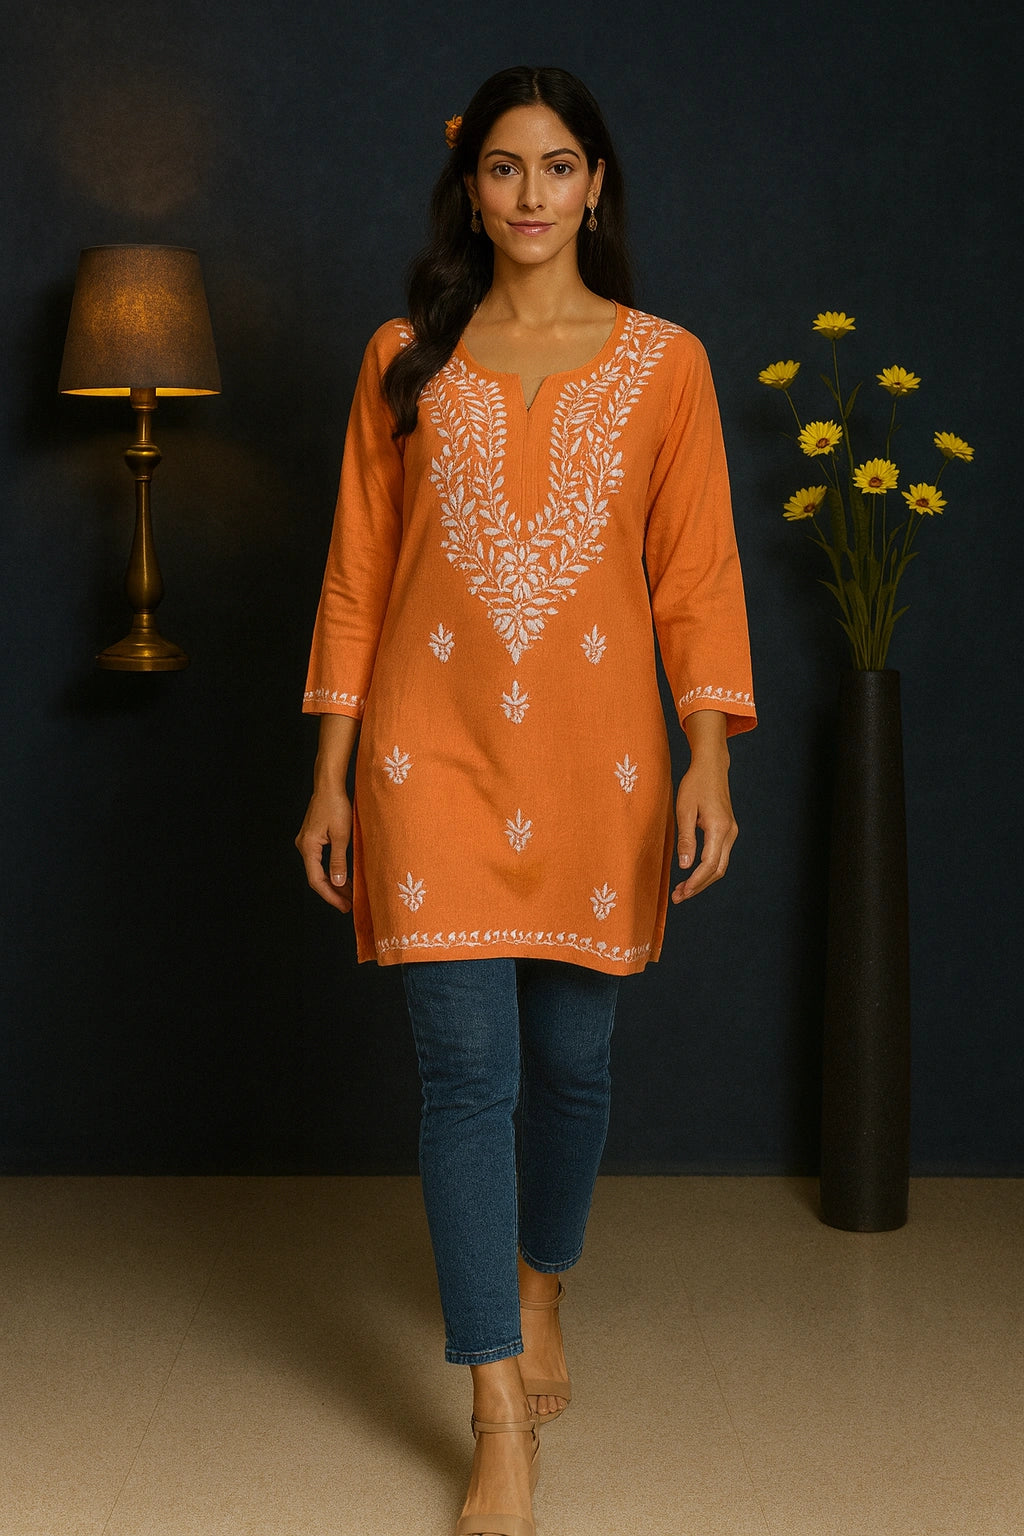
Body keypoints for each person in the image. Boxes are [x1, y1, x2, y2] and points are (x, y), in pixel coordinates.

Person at [296, 64, 756, 1536]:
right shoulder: (404, 360)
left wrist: (709, 758)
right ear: (470, 188)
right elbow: (358, 577)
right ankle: (494, 1409)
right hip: (425, 757)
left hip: (596, 759)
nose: (532, 195)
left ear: (596, 184)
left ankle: (541, 1281)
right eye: (505, 168)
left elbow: (695, 576)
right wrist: (328, 780)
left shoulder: (666, 365)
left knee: (570, 1062)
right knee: (464, 1077)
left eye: (559, 166)